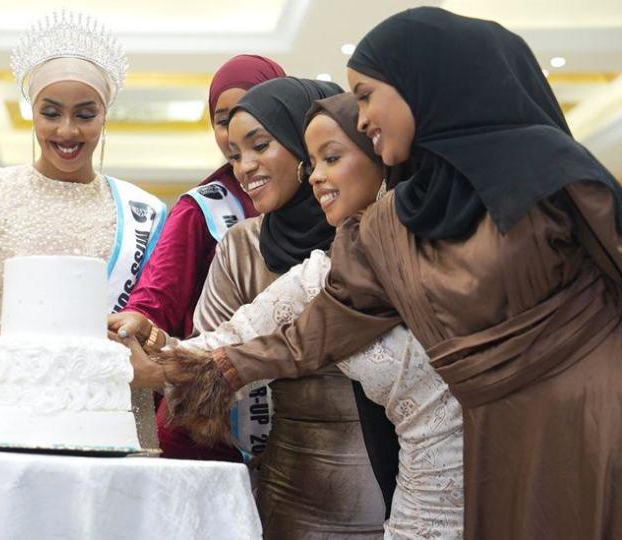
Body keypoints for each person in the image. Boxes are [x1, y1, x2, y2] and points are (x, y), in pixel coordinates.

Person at [147, 8, 622, 539]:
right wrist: (215, 367)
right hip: (495, 449)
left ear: (423, 83)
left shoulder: (549, 175)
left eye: (369, 93)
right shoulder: (388, 227)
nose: (365, 115)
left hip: (592, 427)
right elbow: (315, 329)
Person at [118, 79, 396, 538]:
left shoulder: (397, 242)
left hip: (401, 484)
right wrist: (156, 345)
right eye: (233, 155)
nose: (244, 168)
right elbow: (222, 343)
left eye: (261, 146)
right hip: (291, 489)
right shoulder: (244, 245)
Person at [0, 10, 166, 448]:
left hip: (111, 412)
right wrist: (2, 347)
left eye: (84, 114)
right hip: (11, 403)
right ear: (33, 113)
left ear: (104, 116)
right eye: (51, 113)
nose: (67, 130)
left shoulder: (143, 212)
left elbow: (156, 317)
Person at [114, 54, 281, 462]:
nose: (235, 131)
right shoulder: (202, 209)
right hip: (212, 420)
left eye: (253, 111)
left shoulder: (330, 202)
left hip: (306, 424)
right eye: (223, 120)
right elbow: (158, 296)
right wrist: (135, 322)